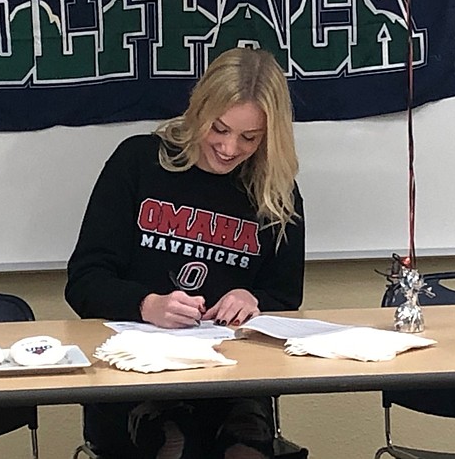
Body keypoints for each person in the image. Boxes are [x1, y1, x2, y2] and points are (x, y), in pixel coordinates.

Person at [66, 46, 305, 459]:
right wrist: (146, 304)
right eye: (220, 129)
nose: (230, 149)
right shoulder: (139, 161)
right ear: (199, 110)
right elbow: (85, 281)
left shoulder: (276, 194)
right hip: (137, 377)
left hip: (230, 379)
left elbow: (286, 298)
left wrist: (255, 300)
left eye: (250, 138)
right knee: (174, 443)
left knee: (244, 446)